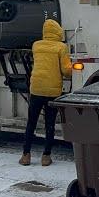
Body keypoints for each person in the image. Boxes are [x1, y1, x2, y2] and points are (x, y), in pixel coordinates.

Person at [19, 19, 72, 166]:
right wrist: (74, 67)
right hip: (52, 91)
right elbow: (66, 71)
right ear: (58, 32)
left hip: (36, 88)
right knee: (49, 124)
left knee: (31, 122)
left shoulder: (36, 45)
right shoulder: (61, 47)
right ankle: (46, 156)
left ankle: (26, 155)